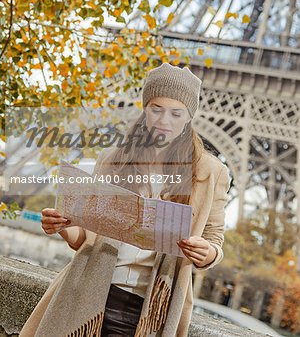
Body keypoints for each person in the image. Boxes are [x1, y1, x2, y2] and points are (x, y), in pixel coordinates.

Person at [19, 62, 230, 337]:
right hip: (88, 295)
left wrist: (207, 253)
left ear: (189, 117)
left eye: (176, 113)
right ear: (145, 110)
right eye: (157, 109)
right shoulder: (111, 159)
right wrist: (62, 226)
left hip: (151, 309)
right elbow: (85, 238)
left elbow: (214, 239)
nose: (165, 121)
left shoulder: (211, 172)